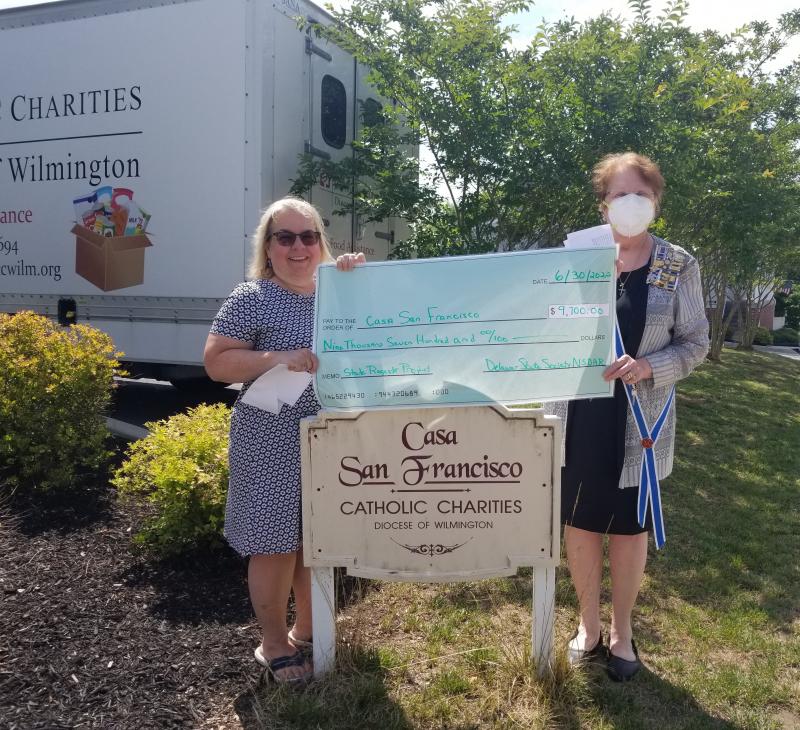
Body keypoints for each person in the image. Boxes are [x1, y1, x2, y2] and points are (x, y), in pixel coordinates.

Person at [549, 153, 709, 681]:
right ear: (604, 205)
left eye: (641, 193)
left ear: (656, 201)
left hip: (641, 419)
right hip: (579, 415)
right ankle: (588, 625)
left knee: (627, 527)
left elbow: (695, 343)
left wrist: (648, 367)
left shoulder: (677, 264)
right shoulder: (578, 258)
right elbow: (547, 327)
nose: (631, 203)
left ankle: (621, 631)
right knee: (581, 521)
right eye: (620, 194)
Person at [203, 197, 363, 684]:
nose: (298, 247)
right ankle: (272, 643)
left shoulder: (338, 289)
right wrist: (276, 357)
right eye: (285, 237)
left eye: (308, 236)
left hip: (331, 435)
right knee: (273, 541)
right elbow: (216, 362)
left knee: (316, 538)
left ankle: (308, 630)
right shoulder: (252, 297)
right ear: (268, 247)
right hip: (269, 437)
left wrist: (357, 277)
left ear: (320, 242)